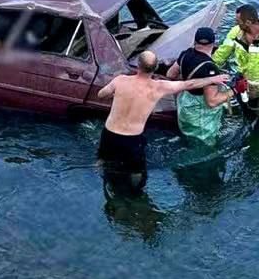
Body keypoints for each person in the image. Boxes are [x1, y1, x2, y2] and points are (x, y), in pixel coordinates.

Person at [96, 50, 229, 187]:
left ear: (138, 64)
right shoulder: (158, 87)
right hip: (132, 139)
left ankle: (100, 180)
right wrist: (212, 79)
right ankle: (135, 193)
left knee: (102, 160)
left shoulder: (120, 80)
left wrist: (115, 96)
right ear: (155, 68)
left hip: (109, 133)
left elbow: (101, 95)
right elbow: (188, 84)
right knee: (137, 171)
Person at [166, 27, 234, 145]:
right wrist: (235, 90)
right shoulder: (209, 68)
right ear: (213, 43)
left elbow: (170, 74)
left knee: (188, 135)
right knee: (204, 143)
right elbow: (212, 102)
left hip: (184, 104)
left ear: (195, 41)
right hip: (200, 114)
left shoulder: (186, 54)